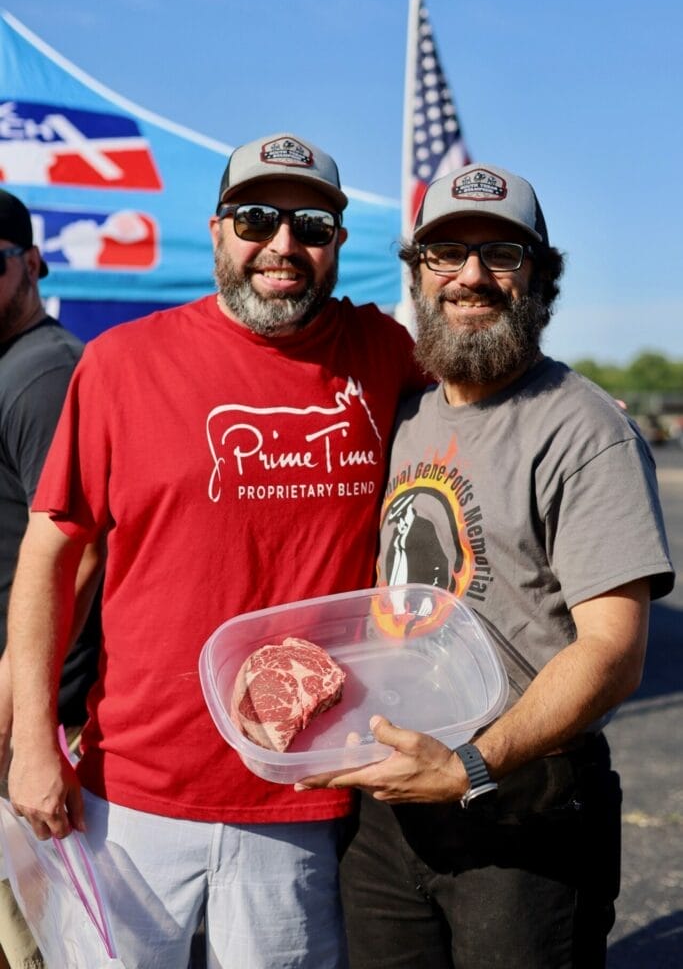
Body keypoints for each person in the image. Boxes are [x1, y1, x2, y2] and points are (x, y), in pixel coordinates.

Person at [6, 134, 425, 969]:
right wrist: (28, 744)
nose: (282, 244)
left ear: (339, 243)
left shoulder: (384, 357)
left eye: (310, 225)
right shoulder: (122, 365)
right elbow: (53, 559)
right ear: (217, 229)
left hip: (301, 795)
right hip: (134, 793)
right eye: (256, 218)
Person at [297, 163, 675, 968]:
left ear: (537, 274)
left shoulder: (581, 430)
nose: (471, 276)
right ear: (418, 274)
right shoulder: (402, 414)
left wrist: (469, 765)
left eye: (499, 253)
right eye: (445, 253)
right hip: (390, 807)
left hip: (522, 807)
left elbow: (612, 650)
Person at [0, 189, 101, 969]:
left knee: (48, 943)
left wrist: (24, 714)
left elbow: (80, 552)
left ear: (30, 263)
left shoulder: (44, 372)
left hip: (36, 713)